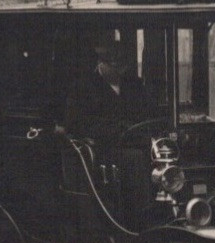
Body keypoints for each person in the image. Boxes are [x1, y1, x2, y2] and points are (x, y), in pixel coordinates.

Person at [63, 37, 157, 227]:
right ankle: (140, 220)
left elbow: (148, 113)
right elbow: (78, 124)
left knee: (162, 154)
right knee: (135, 159)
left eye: (121, 64)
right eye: (112, 64)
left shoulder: (135, 86)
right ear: (100, 63)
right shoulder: (83, 88)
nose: (118, 69)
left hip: (138, 140)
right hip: (103, 150)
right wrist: (118, 130)